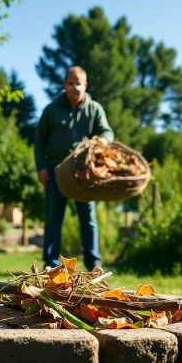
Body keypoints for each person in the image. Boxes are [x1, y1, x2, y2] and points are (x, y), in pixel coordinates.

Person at [34, 66, 114, 270]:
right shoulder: (51, 110)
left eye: (78, 83)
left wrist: (103, 141)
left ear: (85, 85)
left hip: (82, 174)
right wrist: (41, 167)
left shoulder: (94, 109)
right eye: (70, 83)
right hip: (54, 172)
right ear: (64, 85)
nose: (75, 87)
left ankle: (93, 264)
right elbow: (39, 140)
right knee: (53, 218)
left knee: (88, 218)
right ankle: (50, 265)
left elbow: (107, 131)